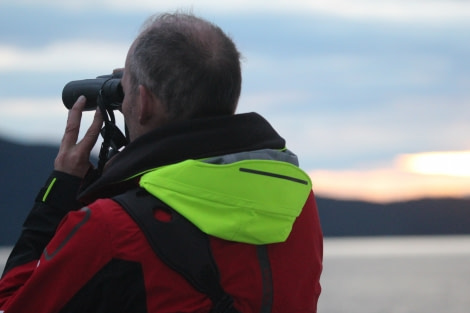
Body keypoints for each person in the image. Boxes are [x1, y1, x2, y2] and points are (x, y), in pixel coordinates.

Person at [0, 12, 323, 313]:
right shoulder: (295, 206)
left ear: (144, 104)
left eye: (126, 93)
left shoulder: (110, 228)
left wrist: (61, 189)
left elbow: (12, 304)